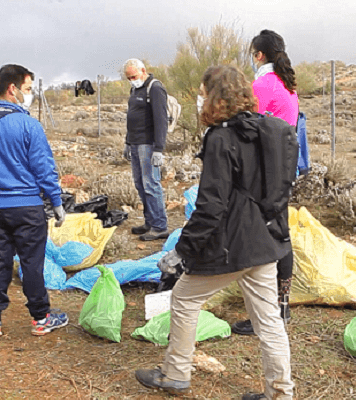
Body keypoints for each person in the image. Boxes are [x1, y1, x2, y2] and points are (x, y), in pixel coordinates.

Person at [134, 65, 294, 400]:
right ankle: (281, 393)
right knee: (269, 321)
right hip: (264, 244)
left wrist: (183, 251)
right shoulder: (266, 132)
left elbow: (210, 207)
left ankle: (175, 374)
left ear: (216, 96)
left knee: (184, 299)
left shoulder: (221, 138)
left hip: (231, 246)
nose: (200, 98)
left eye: (204, 92)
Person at [0, 64, 68, 339]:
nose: (29, 94)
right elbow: (43, 166)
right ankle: (41, 318)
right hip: (27, 207)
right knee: (32, 263)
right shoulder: (28, 124)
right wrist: (56, 200)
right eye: (28, 89)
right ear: (13, 89)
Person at [231, 29, 300, 336]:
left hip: (264, 170)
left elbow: (245, 125)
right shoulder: (288, 84)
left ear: (258, 55)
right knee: (280, 232)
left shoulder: (263, 83)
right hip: (285, 167)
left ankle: (265, 313)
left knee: (261, 237)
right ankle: (281, 306)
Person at [123, 59, 170, 241]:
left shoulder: (155, 88)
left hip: (148, 144)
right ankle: (150, 222)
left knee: (151, 184)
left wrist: (159, 148)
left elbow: (161, 120)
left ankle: (160, 226)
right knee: (140, 184)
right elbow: (131, 117)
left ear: (143, 71)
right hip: (135, 143)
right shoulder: (135, 89)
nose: (132, 80)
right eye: (129, 78)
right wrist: (128, 142)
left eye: (134, 76)